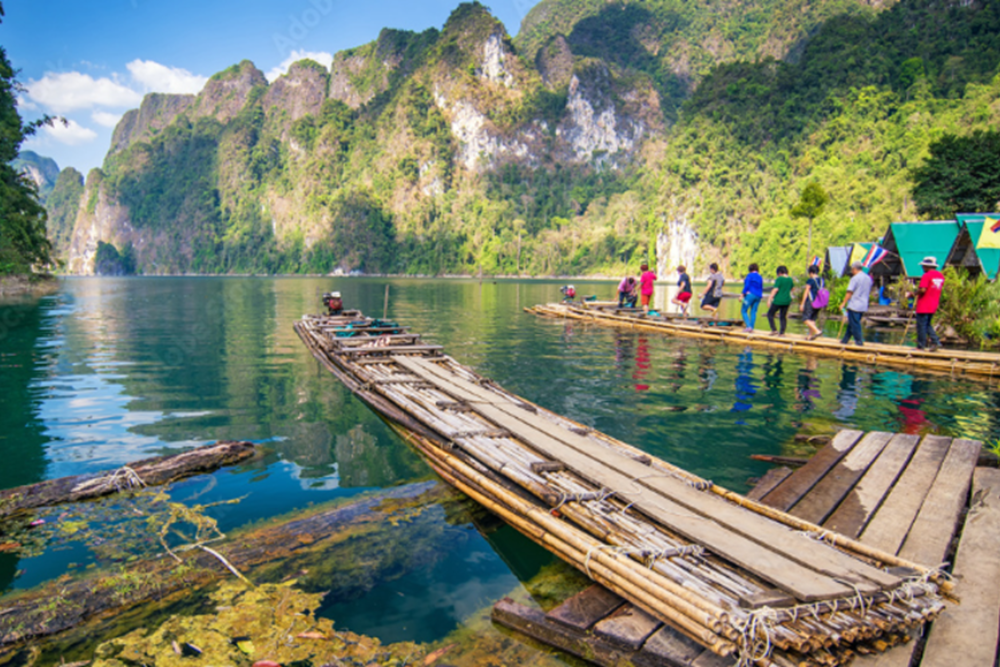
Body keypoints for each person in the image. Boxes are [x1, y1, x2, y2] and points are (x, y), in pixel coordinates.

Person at [909, 256, 945, 351]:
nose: (922, 268)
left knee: (921, 325)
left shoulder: (926, 275)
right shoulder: (940, 276)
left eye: (923, 266)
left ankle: (921, 346)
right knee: (927, 324)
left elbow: (923, 289)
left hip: (924, 304)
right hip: (933, 304)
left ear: (927, 266)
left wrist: (913, 294)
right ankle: (936, 341)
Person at [839, 261, 872, 346]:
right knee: (852, 323)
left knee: (855, 323)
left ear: (854, 269)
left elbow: (849, 292)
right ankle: (845, 340)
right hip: (863, 304)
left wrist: (843, 303)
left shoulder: (855, 278)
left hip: (855, 304)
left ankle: (859, 341)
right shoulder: (868, 278)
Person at [765, 266, 794, 336]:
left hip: (778, 300)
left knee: (770, 314)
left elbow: (775, 289)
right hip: (787, 300)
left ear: (779, 273)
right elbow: (792, 289)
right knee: (783, 316)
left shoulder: (780, 279)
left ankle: (774, 330)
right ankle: (782, 333)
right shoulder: (790, 279)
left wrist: (769, 299)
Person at [800, 265, 824, 340]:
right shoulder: (822, 280)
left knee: (805, 319)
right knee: (812, 319)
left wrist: (802, 303)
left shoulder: (810, 280)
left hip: (811, 302)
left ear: (811, 272)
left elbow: (806, 291)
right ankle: (810, 336)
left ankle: (817, 331)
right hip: (819, 302)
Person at [740, 263, 763, 332]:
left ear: (750, 269)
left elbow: (747, 285)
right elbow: (761, 287)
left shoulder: (749, 275)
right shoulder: (760, 277)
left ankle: (748, 326)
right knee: (753, 312)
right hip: (758, 296)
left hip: (750, 295)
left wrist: (742, 294)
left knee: (743, 310)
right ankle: (751, 328)